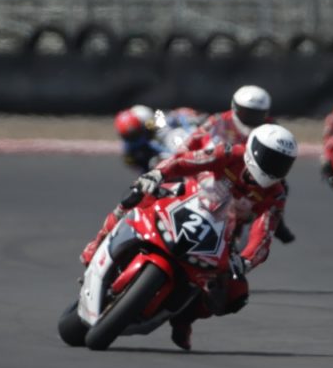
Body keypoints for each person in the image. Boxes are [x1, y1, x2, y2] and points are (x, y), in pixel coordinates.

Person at [81, 124, 298, 351]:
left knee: (234, 293)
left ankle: (183, 320)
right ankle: (97, 243)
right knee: (137, 194)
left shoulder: (275, 194)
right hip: (186, 198)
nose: (274, 167)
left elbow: (263, 235)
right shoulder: (229, 153)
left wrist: (245, 262)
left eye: (282, 163)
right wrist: (159, 173)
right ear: (253, 149)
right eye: (270, 158)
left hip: (223, 234)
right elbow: (186, 161)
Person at [185, 85, 296, 244]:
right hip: (216, 167)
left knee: (280, 187)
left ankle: (275, 221)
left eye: (257, 114)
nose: (251, 119)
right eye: (246, 113)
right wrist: (183, 156)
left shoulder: (273, 129)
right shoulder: (217, 120)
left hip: (250, 172)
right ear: (235, 107)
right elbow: (192, 141)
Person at [114, 104, 206, 173]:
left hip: (190, 147)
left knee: (177, 134)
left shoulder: (162, 121)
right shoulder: (131, 153)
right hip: (173, 170)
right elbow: (144, 171)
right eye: (129, 136)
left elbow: (183, 117)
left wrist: (194, 121)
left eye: (135, 134)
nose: (134, 138)